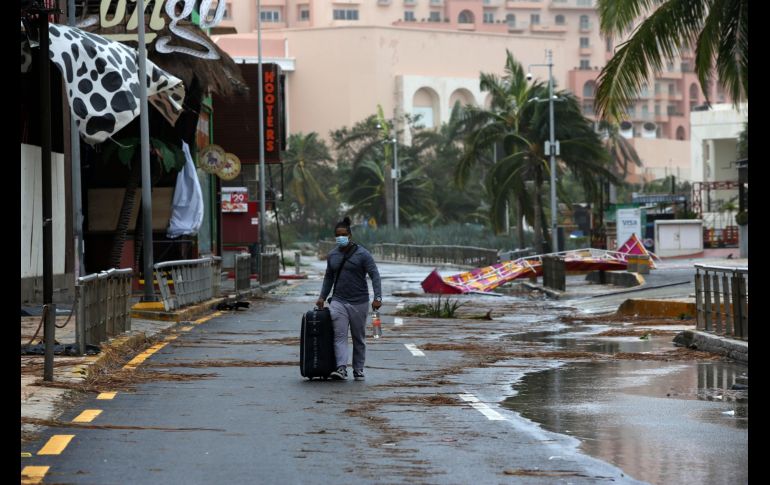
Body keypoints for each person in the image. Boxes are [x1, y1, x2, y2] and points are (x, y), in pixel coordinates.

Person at [316, 216, 382, 381]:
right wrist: (322, 296)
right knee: (339, 335)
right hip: (338, 301)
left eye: (343, 234)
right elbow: (328, 278)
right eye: (338, 235)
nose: (341, 238)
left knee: (358, 337)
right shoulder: (332, 255)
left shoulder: (363, 254)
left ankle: (358, 369)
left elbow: (375, 275)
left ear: (350, 235)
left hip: (359, 302)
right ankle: (341, 368)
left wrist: (378, 297)